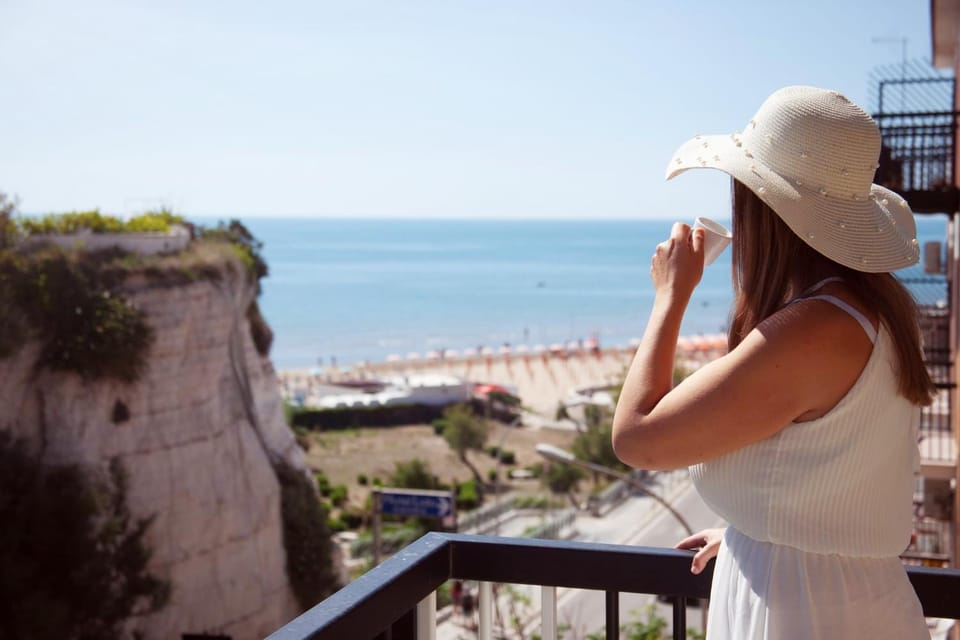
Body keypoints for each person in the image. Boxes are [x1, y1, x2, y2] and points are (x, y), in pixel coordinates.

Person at [611, 86, 936, 639]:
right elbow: (837, 465)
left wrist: (672, 294)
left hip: (804, 613)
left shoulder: (816, 329)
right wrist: (753, 532)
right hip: (832, 601)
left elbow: (637, 438)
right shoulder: (874, 313)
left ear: (764, 208)